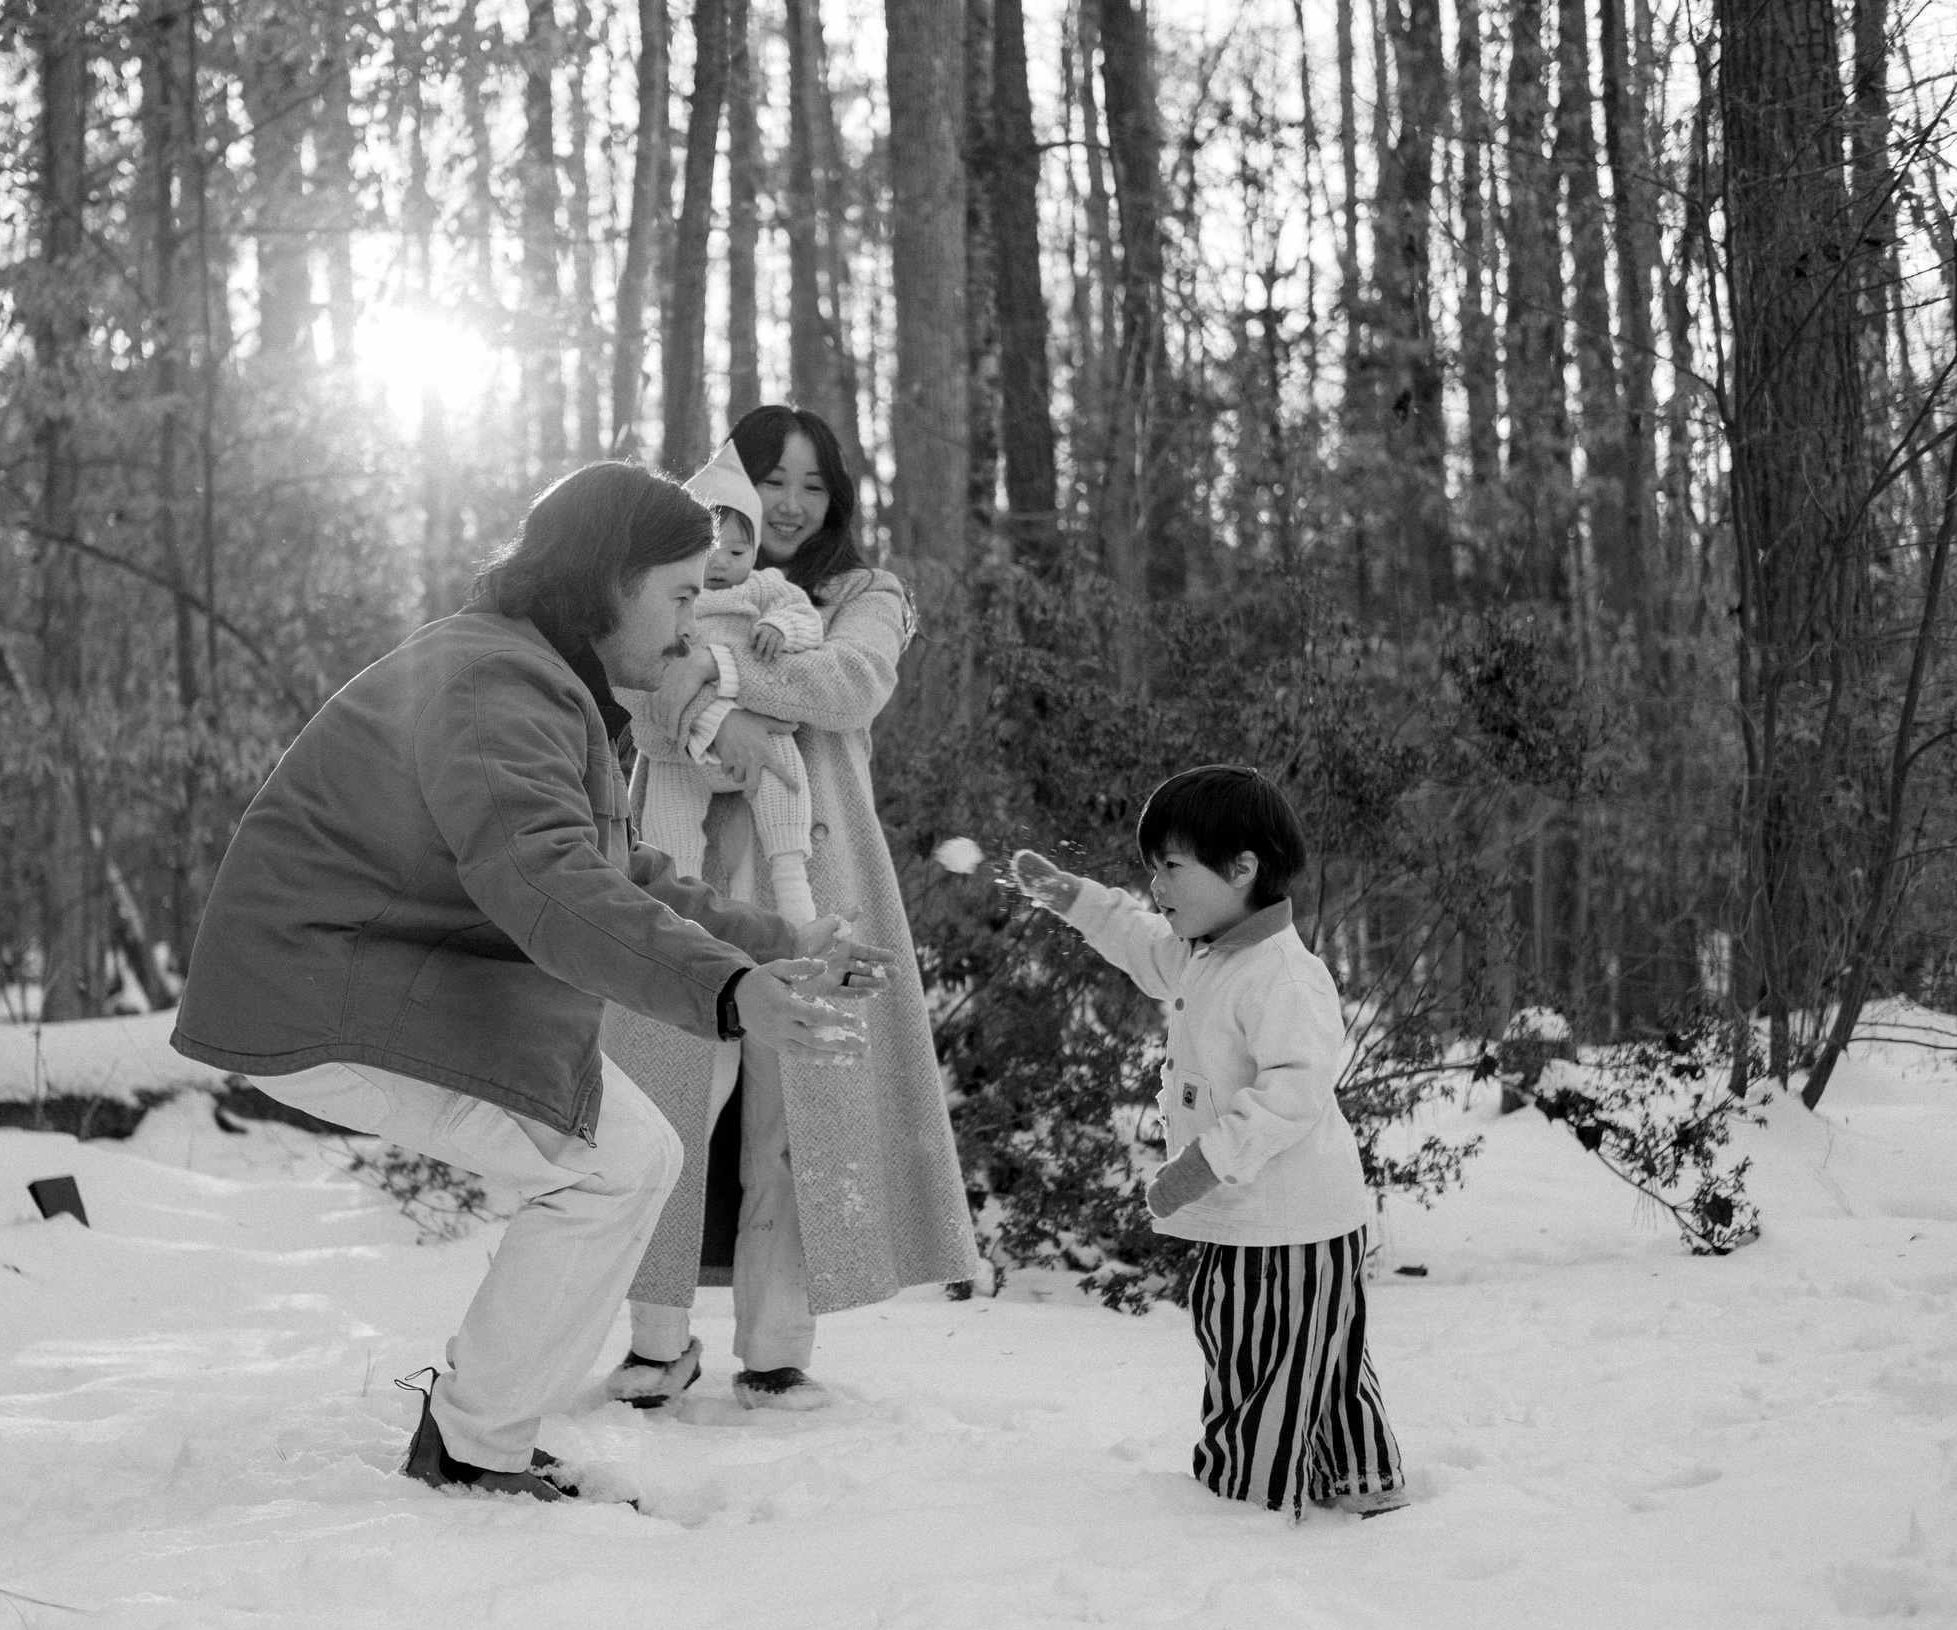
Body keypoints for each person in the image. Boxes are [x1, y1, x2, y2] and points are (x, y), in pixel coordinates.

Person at [170, 462, 896, 1502]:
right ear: (612, 579)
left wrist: (774, 946)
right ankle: (476, 1446)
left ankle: (480, 1431)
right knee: (612, 1165)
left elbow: (613, 874)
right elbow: (544, 881)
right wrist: (729, 992)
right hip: (323, 987)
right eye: (682, 594)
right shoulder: (495, 683)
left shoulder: (531, 677)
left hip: (375, 977)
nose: (694, 631)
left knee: (629, 1157)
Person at [602, 405, 978, 1414]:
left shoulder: (870, 592)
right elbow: (636, 673)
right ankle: (654, 1342)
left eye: (813, 485)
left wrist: (715, 669)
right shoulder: (675, 575)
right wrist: (689, 672)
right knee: (672, 1093)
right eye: (773, 478)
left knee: (794, 1110)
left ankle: (775, 1348)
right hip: (681, 869)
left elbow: (850, 684)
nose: (790, 504)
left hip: (815, 874)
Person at [1010, 766, 1409, 1520]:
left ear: (1242, 869)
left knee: (1268, 1359)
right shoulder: (1205, 950)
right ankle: (1360, 1476)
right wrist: (1077, 899)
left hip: (1291, 1218)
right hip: (1256, 1215)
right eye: (1150, 866)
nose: (1156, 884)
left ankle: (1245, 1497)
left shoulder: (1283, 975)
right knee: (1307, 1349)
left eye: (1171, 865)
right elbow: (1139, 941)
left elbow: (1293, 1092)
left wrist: (1203, 1163)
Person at [639, 440, 826, 925]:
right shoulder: (670, 592)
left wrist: (781, 628)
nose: (720, 562)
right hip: (681, 738)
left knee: (783, 774)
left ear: (756, 550)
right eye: (708, 550)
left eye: (736, 550)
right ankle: (677, 908)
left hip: (757, 732)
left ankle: (793, 890)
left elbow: (809, 622)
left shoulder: (765, 588)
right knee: (669, 807)